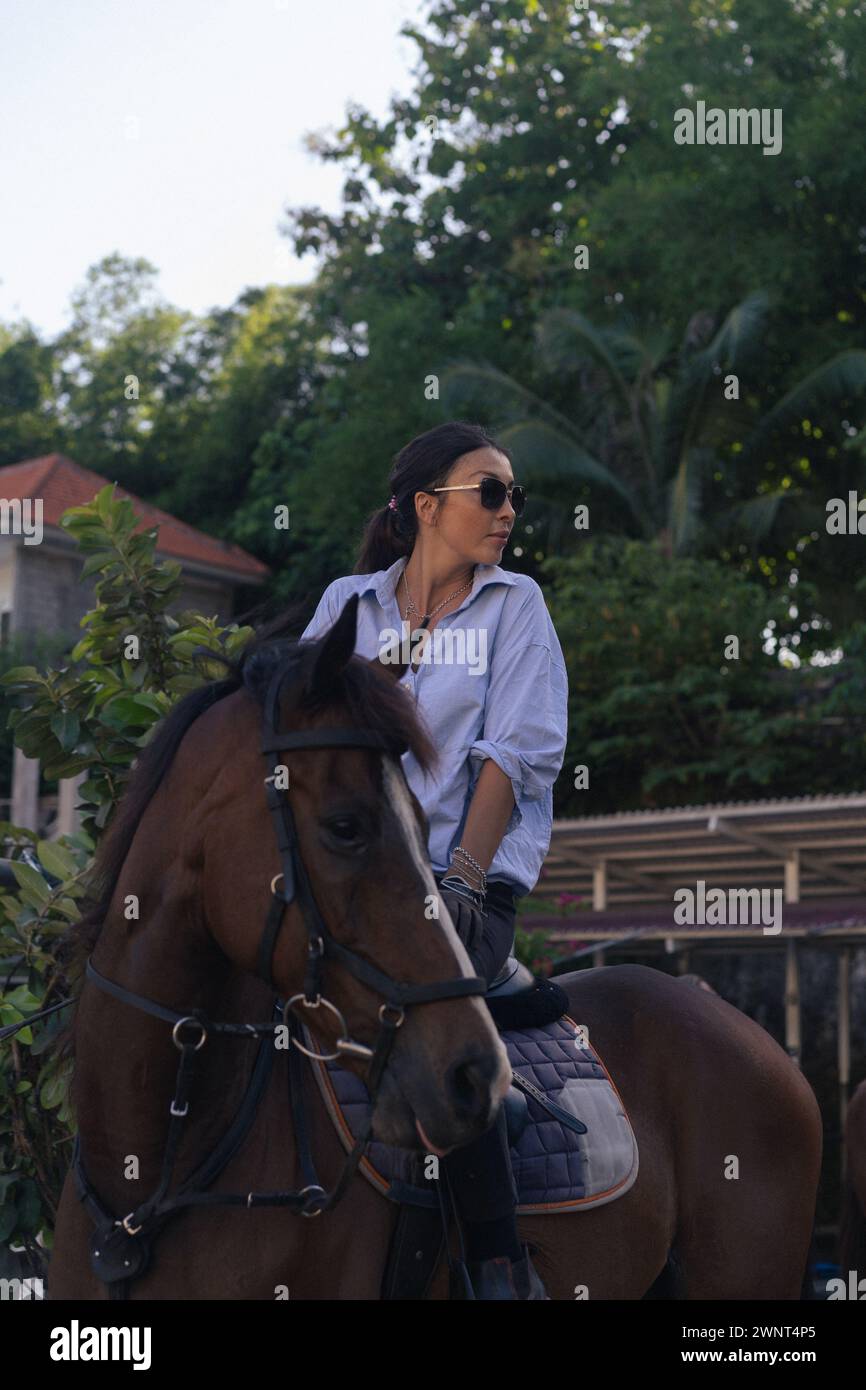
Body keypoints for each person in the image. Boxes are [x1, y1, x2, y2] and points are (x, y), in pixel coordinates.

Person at [300, 420, 568, 1299]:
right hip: (353, 886)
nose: (508, 512)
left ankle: (498, 1264)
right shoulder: (347, 603)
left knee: (433, 1003)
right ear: (426, 506)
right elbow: (303, 740)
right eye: (489, 492)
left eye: (514, 496)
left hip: (467, 889)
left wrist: (455, 883)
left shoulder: (516, 604)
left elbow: (512, 755)